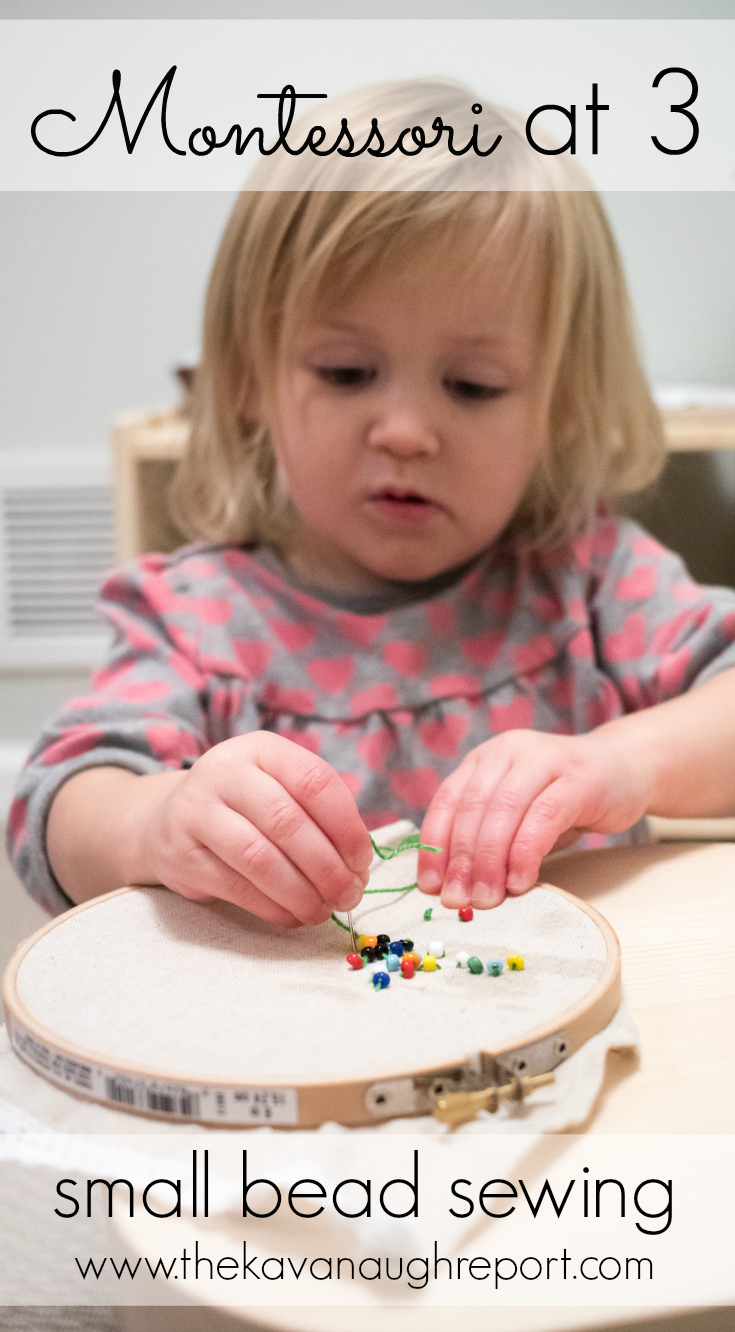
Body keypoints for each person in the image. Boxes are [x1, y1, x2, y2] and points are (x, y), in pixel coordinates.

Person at [10, 81, 735, 929]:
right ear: (248, 375)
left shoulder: (590, 580)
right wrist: (154, 822)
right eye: (347, 373)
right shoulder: (199, 620)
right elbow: (56, 804)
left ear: (557, 407)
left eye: (472, 385)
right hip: (290, 1043)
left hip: (565, 1037)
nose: (404, 432)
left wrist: (623, 764)